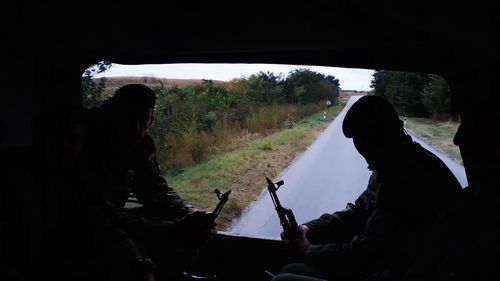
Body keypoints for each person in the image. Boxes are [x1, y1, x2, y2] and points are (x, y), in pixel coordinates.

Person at [271, 95, 462, 281]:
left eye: (368, 140)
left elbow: (365, 253)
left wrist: (306, 250)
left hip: (403, 271)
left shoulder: (408, 173)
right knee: (291, 269)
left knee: (285, 278)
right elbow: (360, 211)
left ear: (389, 133)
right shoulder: (393, 162)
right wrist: (308, 229)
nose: (364, 152)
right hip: (396, 266)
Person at [71, 84, 216, 281]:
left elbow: (153, 189)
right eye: (127, 117)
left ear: (151, 121)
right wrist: (169, 230)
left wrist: (187, 210)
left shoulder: (139, 146)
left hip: (105, 216)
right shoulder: (79, 141)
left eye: (143, 119)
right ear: (110, 113)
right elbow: (94, 211)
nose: (135, 127)